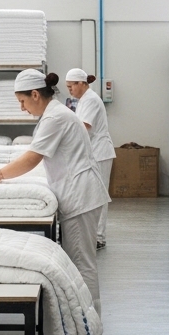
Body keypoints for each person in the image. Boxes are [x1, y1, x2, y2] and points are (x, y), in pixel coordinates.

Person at [0, 69, 109, 313]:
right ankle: (86, 317)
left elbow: (32, 158)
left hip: (80, 196)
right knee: (80, 261)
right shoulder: (54, 114)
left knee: (82, 263)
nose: (22, 108)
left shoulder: (55, 117)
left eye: (22, 101)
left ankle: (90, 320)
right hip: (78, 192)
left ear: (35, 95)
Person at [64, 68, 115, 249]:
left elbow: (84, 127)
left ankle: (98, 237)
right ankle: (92, 235)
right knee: (92, 195)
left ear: (81, 83)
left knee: (98, 196)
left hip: (100, 153)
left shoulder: (91, 100)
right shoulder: (84, 100)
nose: (69, 90)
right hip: (94, 152)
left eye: (71, 86)